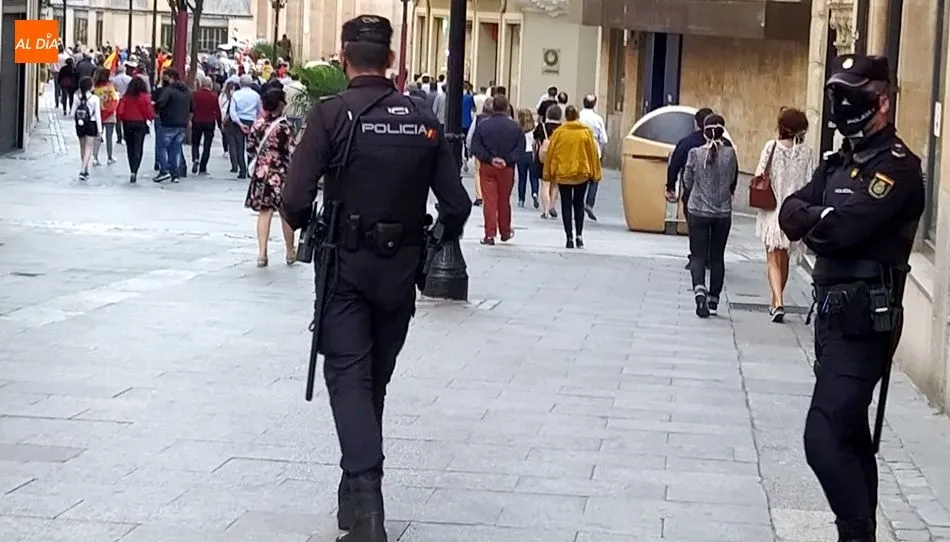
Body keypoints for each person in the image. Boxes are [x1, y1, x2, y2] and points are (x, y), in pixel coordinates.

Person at [280, 15, 472, 542]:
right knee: (373, 384)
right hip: (400, 270)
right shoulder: (423, 120)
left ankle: (368, 507)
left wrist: (304, 224)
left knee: (347, 379)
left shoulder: (331, 116)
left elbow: (294, 200)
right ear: (391, 61)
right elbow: (455, 203)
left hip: (344, 268)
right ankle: (352, 494)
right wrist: (432, 239)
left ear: (345, 59)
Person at [778, 54, 925, 542]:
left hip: (867, 319)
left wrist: (819, 220)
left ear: (881, 100)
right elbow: (789, 212)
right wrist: (821, 219)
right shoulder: (840, 162)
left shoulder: (898, 169)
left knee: (823, 436)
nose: (843, 105)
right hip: (831, 316)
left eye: (854, 94)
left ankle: (855, 534)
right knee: (850, 435)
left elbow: (841, 229)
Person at [755, 107, 816, 322]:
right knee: (786, 259)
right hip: (795, 211)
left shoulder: (771, 147)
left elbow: (759, 174)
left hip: (773, 210)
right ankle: (776, 301)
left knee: (772, 258)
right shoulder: (807, 153)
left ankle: (778, 303)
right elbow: (810, 182)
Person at [681, 114, 738, 317]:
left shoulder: (694, 153)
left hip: (697, 210)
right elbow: (732, 178)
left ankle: (699, 292)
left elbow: (687, 181)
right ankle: (714, 299)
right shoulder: (730, 154)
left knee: (697, 255)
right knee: (717, 257)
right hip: (722, 212)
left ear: (704, 131)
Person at [666, 107, 734, 269]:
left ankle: (697, 257)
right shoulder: (728, 148)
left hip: (695, 198)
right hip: (721, 200)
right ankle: (711, 258)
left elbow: (675, 165)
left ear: (697, 124)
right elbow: (733, 172)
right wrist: (730, 190)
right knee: (716, 234)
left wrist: (672, 186)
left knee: (696, 230)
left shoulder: (688, 143)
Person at [245, 88, 296, 267]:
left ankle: (262, 254)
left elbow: (250, 147)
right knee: (285, 213)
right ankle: (290, 252)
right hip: (280, 173)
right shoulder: (285, 127)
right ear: (280, 104)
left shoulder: (258, 124)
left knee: (264, 212)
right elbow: (293, 150)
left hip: (261, 173)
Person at [543, 105, 602, 249]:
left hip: (563, 173)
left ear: (566, 117)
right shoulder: (586, 133)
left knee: (566, 204)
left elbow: (550, 154)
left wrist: (548, 173)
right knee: (579, 203)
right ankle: (579, 236)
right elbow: (592, 155)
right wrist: (595, 173)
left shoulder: (559, 133)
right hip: (581, 173)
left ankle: (569, 237)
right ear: (577, 116)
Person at [470, 93, 524, 245]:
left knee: (489, 201)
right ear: (507, 108)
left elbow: (475, 147)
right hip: (507, 168)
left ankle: (489, 234)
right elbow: (520, 147)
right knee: (504, 200)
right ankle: (505, 231)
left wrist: (490, 158)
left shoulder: (483, 125)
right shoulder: (515, 127)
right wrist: (507, 160)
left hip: (488, 166)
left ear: (492, 107)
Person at [153, 68, 191, 183]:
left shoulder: (169, 91)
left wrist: (157, 109)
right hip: (182, 124)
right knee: (176, 149)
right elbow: (192, 107)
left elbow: (161, 103)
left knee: (162, 147)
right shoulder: (187, 91)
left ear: (171, 77)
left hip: (168, 123)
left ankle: (164, 170)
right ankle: (176, 174)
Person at [116, 76, 155, 184]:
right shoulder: (145, 97)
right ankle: (135, 170)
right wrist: (150, 118)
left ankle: (131, 167)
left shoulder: (126, 97)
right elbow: (149, 111)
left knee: (130, 147)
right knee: (138, 146)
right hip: (140, 123)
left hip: (127, 123)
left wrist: (121, 118)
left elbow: (120, 111)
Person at [579, 93, 607, 221]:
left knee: (579, 178)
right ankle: (589, 203)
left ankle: (578, 203)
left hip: (579, 150)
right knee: (594, 178)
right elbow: (604, 139)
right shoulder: (597, 119)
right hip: (594, 151)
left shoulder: (578, 116)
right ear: (594, 104)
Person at [228, 75, 262, 179]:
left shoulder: (236, 95)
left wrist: (240, 124)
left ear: (240, 84)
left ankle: (242, 169)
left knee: (239, 147)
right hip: (252, 121)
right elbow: (259, 111)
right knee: (251, 147)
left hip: (239, 122)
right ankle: (250, 169)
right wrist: (256, 122)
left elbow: (232, 112)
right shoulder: (256, 96)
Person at [71, 76, 102, 181]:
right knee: (89, 147)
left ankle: (85, 169)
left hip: (80, 125)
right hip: (91, 124)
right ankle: (83, 169)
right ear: (91, 87)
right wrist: (100, 130)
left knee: (82, 147)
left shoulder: (76, 97)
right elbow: (97, 115)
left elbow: (72, 113)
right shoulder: (95, 99)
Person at [534, 104, 562, 220]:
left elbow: (535, 140)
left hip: (544, 158)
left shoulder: (542, 127)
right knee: (555, 184)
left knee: (545, 185)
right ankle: (552, 206)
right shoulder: (562, 128)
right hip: (557, 159)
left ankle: (545, 210)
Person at [190, 76, 222, 175]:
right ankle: (203, 167)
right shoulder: (214, 96)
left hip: (197, 120)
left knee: (195, 142)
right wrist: (220, 124)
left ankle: (195, 158)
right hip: (209, 122)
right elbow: (217, 111)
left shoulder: (194, 95)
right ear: (210, 85)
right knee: (207, 145)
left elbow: (191, 108)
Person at [91, 68, 119, 166]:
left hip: (98, 114)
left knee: (98, 137)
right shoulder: (110, 87)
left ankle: (95, 157)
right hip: (109, 115)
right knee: (109, 138)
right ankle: (109, 157)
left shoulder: (95, 88)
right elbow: (115, 100)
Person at [515, 108, 539, 209]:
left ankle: (521, 199)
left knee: (522, 178)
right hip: (532, 154)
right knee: (534, 177)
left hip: (521, 154)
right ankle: (534, 192)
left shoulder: (518, 128)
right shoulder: (535, 128)